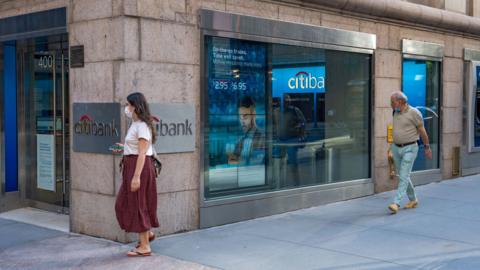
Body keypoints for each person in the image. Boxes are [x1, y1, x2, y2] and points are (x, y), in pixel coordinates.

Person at [113, 92, 159, 256]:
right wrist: (124, 147)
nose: (127, 108)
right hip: (132, 165)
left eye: (129, 105)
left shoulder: (142, 126)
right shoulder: (137, 124)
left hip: (138, 168)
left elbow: (142, 153)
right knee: (125, 204)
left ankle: (145, 246)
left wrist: (136, 176)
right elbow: (135, 148)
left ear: (136, 106)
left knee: (139, 203)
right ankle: (148, 234)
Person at [388, 91, 432, 214]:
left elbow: (422, 131)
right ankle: (413, 200)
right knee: (402, 175)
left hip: (410, 148)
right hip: (396, 147)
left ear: (400, 101)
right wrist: (391, 147)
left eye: (392, 101)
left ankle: (396, 202)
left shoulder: (414, 113)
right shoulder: (395, 112)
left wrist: (427, 147)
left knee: (403, 175)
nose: (390, 103)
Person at [228, 96, 265, 165]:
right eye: (240, 117)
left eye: (245, 117)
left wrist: (241, 160)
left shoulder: (263, 138)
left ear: (253, 115)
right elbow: (231, 161)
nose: (242, 121)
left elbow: (261, 161)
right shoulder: (240, 142)